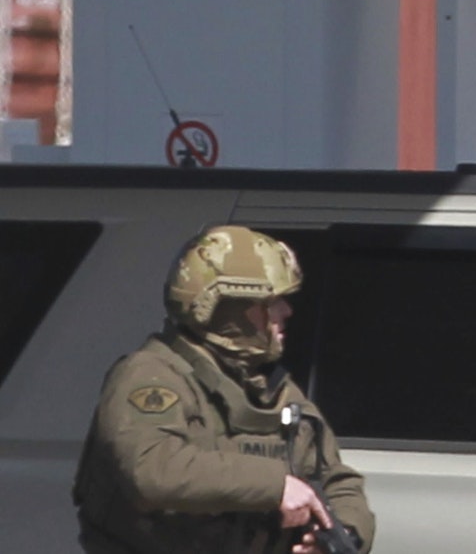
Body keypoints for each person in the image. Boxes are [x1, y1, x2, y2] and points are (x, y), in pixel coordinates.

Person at [72, 226, 374, 553]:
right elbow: (152, 469)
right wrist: (275, 486)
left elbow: (334, 480)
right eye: (271, 302)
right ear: (227, 310)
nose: (286, 311)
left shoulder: (273, 391)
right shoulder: (151, 376)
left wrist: (342, 534)